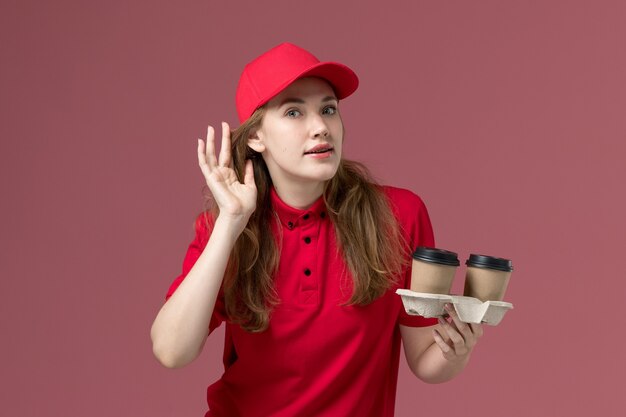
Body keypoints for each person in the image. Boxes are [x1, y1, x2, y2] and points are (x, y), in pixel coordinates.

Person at [150, 42, 483, 417]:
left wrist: (458, 349)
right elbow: (171, 351)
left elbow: (425, 359)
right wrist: (229, 224)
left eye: (328, 109)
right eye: (294, 112)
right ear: (257, 136)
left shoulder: (400, 215)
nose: (321, 127)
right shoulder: (223, 227)